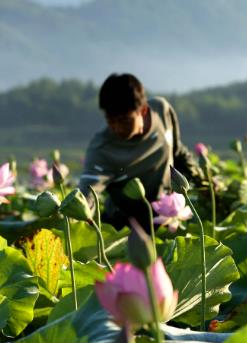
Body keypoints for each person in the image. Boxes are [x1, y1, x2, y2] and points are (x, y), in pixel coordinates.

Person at [79, 73, 202, 231]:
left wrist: (205, 183)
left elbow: (178, 152)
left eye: (124, 120)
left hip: (167, 216)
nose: (117, 127)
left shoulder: (162, 111)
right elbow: (85, 196)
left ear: (143, 110)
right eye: (110, 120)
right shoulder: (101, 149)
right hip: (126, 229)